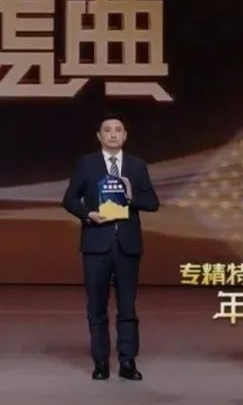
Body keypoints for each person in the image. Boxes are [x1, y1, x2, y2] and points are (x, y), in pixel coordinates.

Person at [61, 115, 159, 381]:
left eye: (118, 130)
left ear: (125, 135)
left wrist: (131, 197)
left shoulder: (137, 166)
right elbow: (69, 199)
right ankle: (101, 362)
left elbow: (152, 203)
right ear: (99, 136)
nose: (113, 134)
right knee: (97, 307)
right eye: (107, 130)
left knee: (127, 307)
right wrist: (87, 214)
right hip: (96, 243)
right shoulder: (87, 164)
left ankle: (127, 361)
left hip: (127, 244)